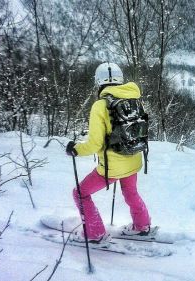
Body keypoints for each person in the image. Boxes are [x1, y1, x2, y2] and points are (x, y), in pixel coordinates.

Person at [65, 62, 151, 243]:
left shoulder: (100, 105)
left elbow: (95, 144)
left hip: (112, 167)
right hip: (133, 159)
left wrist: (75, 149)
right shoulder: (134, 99)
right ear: (120, 80)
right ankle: (142, 225)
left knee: (80, 193)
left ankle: (95, 233)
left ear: (99, 82)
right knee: (131, 193)